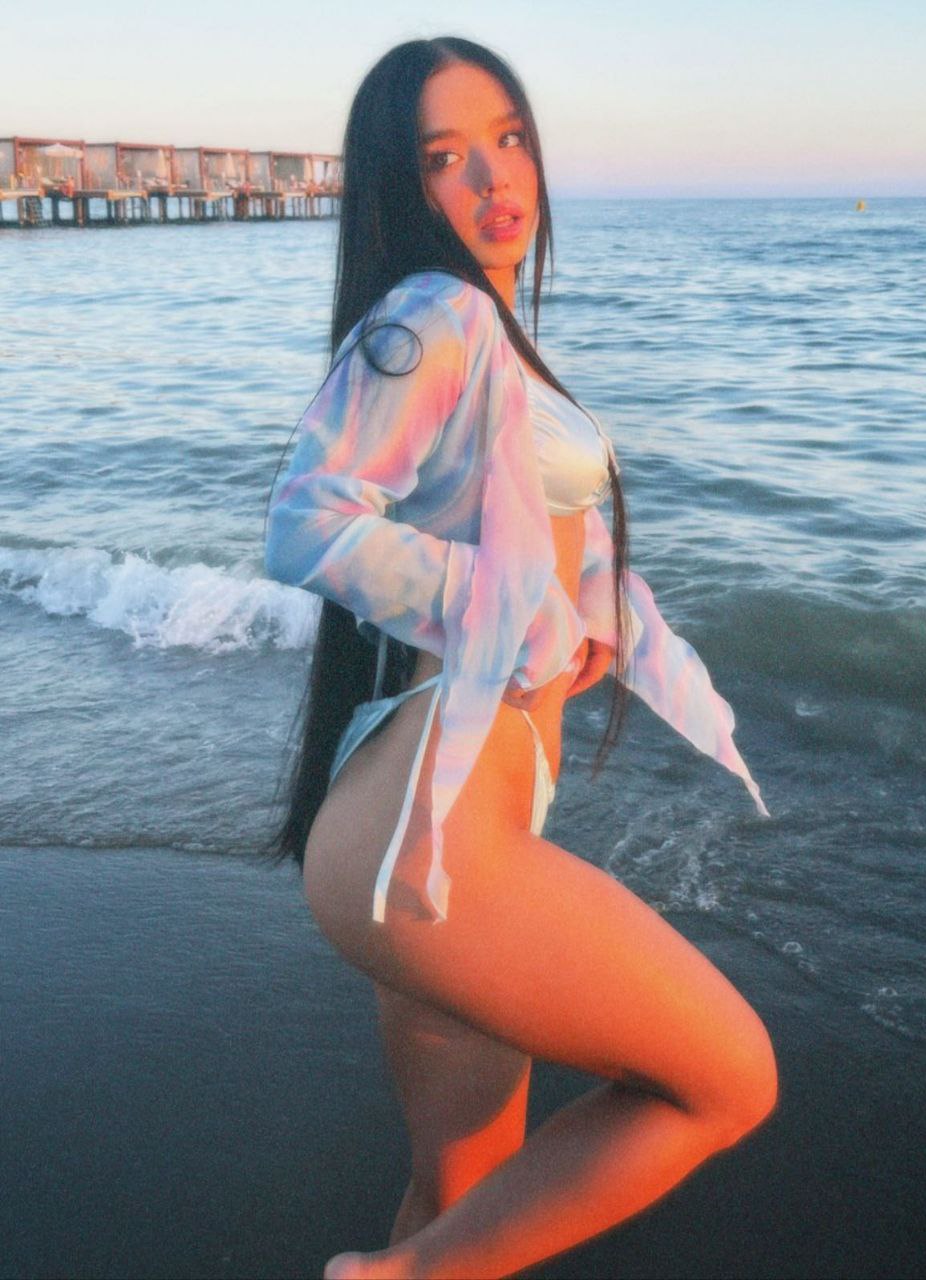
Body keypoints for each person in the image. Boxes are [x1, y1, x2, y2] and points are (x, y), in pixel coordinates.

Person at [261, 36, 778, 1280]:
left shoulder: (483, 327)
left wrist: (579, 613)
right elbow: (307, 523)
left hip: (420, 825)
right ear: (401, 186)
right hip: (432, 836)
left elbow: (499, 527)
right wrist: (513, 609)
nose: (495, 176)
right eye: (446, 156)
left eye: (508, 137)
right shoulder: (433, 314)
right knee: (730, 1078)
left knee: (466, 1189)